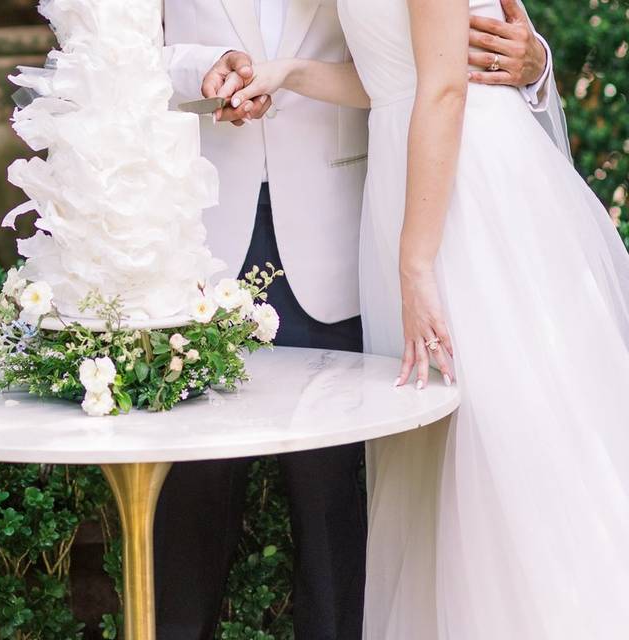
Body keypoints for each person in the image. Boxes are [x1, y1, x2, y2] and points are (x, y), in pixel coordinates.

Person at [229, 0, 629, 637]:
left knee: (497, 434)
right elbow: (396, 77)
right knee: (436, 450)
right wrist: (290, 74)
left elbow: (444, 89)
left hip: (464, 192)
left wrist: (415, 261)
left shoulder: (427, 228)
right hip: (411, 182)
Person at [158, 1, 554, 637]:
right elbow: (108, 56)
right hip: (201, 230)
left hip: (358, 233)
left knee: (339, 497)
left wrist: (535, 64)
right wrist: (204, 68)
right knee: (188, 498)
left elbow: (459, 44)